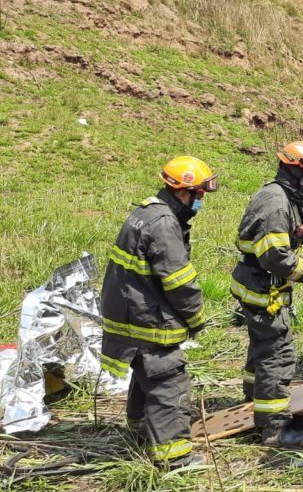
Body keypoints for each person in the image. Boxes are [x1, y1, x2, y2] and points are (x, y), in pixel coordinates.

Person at [100, 156, 218, 468]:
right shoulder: (164, 224)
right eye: (200, 195)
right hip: (144, 317)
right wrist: (195, 318)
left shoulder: (147, 211)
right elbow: (179, 282)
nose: (201, 201)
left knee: (145, 373)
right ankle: (175, 460)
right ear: (184, 191)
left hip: (127, 311)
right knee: (168, 380)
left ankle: (140, 432)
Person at [231, 141, 303, 447]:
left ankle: (254, 400)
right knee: (277, 355)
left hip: (258, 285)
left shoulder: (283, 198)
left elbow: (291, 242)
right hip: (263, 289)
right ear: (295, 170)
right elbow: (275, 257)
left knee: (262, 349)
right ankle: (275, 428)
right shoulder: (275, 203)